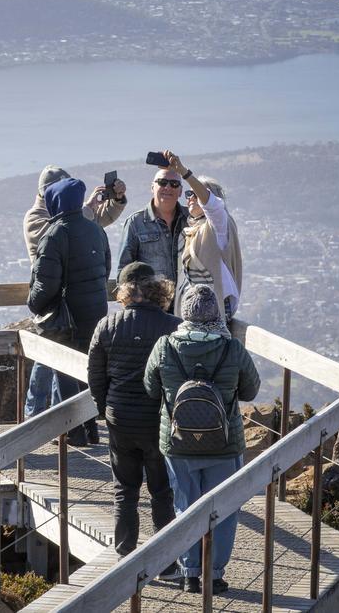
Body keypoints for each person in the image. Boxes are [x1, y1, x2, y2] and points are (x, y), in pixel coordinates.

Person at [144, 284, 260, 595]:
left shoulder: (165, 346)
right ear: (216, 315)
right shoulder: (232, 348)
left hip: (179, 443)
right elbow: (250, 390)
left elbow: (150, 388)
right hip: (224, 444)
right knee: (224, 509)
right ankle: (215, 575)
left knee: (184, 507)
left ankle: (189, 574)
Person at [87, 262, 180, 570]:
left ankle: (125, 555)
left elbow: (95, 376)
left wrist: (105, 409)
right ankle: (165, 562)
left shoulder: (107, 326)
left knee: (125, 490)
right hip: (158, 420)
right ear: (156, 288)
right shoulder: (173, 326)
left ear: (124, 291)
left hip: (121, 419)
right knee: (161, 492)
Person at [23, 165, 127, 421]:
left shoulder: (73, 219)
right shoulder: (36, 217)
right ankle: (34, 415)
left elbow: (93, 221)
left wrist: (116, 201)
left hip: (72, 303)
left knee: (68, 364)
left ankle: (70, 420)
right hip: (54, 304)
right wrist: (87, 208)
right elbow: (56, 233)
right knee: (47, 360)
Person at [163, 150, 242, 323]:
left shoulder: (219, 225)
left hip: (216, 305)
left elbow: (211, 205)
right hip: (195, 305)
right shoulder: (191, 230)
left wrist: (184, 172)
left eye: (196, 194)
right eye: (188, 194)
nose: (191, 198)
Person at [117, 162, 188, 289]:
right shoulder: (135, 222)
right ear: (152, 187)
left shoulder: (191, 219)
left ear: (181, 191)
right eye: (162, 182)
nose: (168, 187)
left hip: (187, 302)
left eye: (174, 184)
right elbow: (124, 271)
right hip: (152, 304)